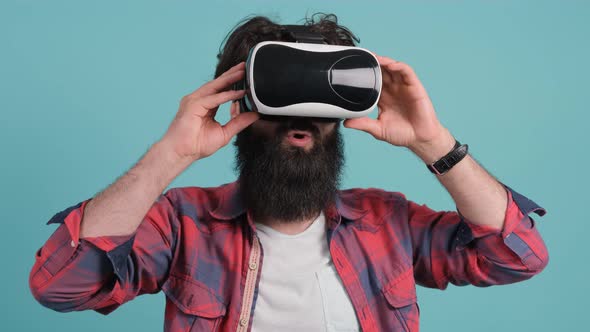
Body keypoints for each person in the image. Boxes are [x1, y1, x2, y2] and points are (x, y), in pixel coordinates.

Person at [29, 13, 549, 332]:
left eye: (320, 102)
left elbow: (516, 257)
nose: (301, 120)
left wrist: (433, 142)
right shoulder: (182, 224)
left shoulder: (387, 220)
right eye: (281, 97)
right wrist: (171, 154)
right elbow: (62, 287)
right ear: (240, 107)